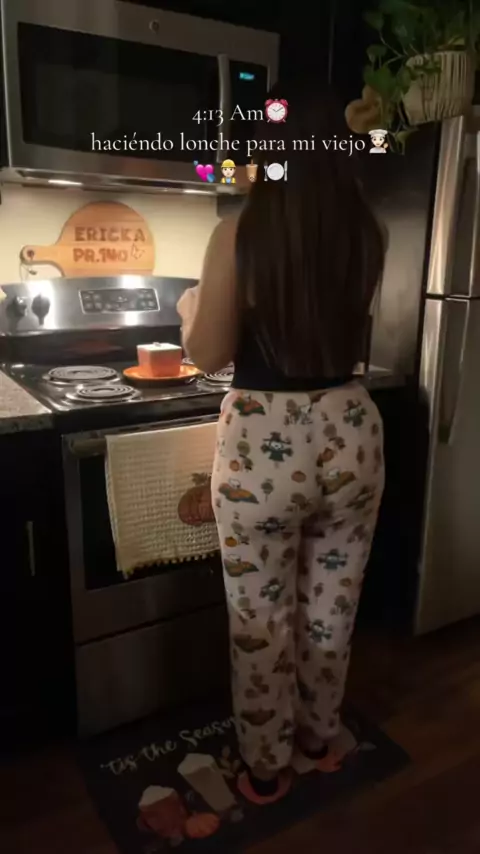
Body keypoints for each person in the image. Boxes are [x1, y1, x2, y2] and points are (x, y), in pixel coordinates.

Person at [177, 81, 387, 806]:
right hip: (351, 429)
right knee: (333, 603)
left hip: (264, 441)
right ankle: (319, 735)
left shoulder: (238, 232)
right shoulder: (368, 231)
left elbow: (207, 353)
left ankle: (266, 766)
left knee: (261, 619)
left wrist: (190, 308)